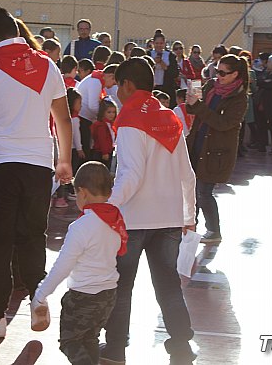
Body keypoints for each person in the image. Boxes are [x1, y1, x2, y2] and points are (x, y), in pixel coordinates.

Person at [0, 7, 72, 338]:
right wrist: (63, 161)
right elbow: (62, 120)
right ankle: (38, 296)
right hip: (38, 166)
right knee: (33, 236)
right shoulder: (47, 65)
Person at [101, 57, 197, 364]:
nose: (115, 91)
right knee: (168, 284)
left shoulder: (130, 119)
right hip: (169, 217)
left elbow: (131, 174)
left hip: (135, 217)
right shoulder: (169, 117)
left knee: (121, 286)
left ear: (128, 85)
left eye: (117, 84)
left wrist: (106, 208)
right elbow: (187, 174)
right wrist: (188, 216)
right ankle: (181, 344)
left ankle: (116, 348)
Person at [32, 161, 125, 364]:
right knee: (90, 338)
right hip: (108, 295)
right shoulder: (116, 221)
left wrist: (41, 294)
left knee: (70, 342)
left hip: (83, 296)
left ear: (81, 192)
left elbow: (62, 266)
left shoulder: (81, 227)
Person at [186, 54, 248, 243]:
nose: (218, 76)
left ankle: (214, 230)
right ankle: (191, 225)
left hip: (216, 151)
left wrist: (198, 107)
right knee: (193, 190)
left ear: (235, 74)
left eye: (223, 73)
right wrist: (192, 99)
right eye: (216, 71)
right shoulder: (211, 86)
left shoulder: (239, 98)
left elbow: (222, 123)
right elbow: (193, 110)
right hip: (198, 143)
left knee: (204, 192)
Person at [77, 64, 118, 158]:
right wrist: (103, 118)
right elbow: (93, 106)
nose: (112, 86)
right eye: (114, 82)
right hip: (83, 118)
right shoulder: (95, 82)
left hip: (86, 118)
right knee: (86, 148)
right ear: (111, 77)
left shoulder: (96, 80)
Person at [147, 29, 179, 108]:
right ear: (153, 43)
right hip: (152, 87)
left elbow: (175, 73)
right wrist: (154, 62)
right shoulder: (149, 54)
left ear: (164, 43)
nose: (159, 45)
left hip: (166, 87)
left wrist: (163, 64)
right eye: (157, 43)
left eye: (161, 43)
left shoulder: (170, 55)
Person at [90, 97, 117, 169]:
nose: (112, 114)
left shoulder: (110, 125)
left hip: (108, 151)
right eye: (109, 112)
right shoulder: (101, 125)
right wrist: (105, 152)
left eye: (113, 112)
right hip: (101, 153)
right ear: (103, 112)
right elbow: (102, 140)